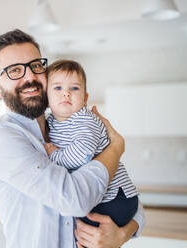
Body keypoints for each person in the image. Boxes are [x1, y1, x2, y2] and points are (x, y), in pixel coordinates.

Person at [0, 29, 145, 248]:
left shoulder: (65, 124)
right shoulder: (2, 139)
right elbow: (74, 200)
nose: (29, 77)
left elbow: (121, 188)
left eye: (36, 66)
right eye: (15, 71)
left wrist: (125, 232)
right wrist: (115, 148)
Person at [44, 59, 139, 228]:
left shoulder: (85, 120)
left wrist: (54, 155)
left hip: (116, 198)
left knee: (80, 231)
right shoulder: (51, 122)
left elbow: (83, 154)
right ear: (46, 96)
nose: (66, 93)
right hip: (99, 197)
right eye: (58, 88)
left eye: (74, 88)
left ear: (85, 98)